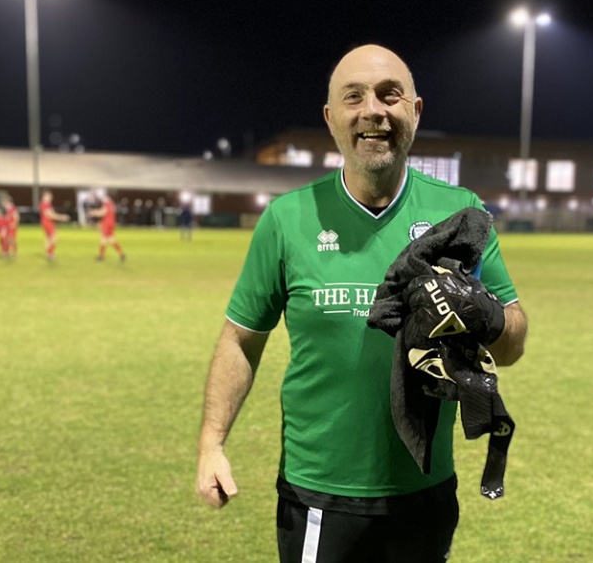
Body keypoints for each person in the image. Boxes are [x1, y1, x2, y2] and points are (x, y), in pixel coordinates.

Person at [195, 45, 528, 563]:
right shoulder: (286, 219)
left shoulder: (460, 213)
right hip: (320, 492)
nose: (373, 110)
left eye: (390, 95)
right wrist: (212, 444)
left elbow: (512, 343)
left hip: (425, 489)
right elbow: (241, 339)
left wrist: (485, 317)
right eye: (354, 97)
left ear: (415, 112)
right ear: (331, 120)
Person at [87, 191, 126, 262]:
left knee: (103, 240)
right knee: (111, 240)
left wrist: (93, 213)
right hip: (110, 223)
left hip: (107, 224)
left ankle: (101, 257)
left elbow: (103, 213)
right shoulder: (111, 203)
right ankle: (121, 254)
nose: (101, 199)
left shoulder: (107, 203)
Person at [39, 190, 70, 261]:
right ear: (44, 197)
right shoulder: (45, 205)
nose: (50, 198)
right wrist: (62, 217)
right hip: (48, 223)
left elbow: (51, 214)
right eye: (49, 197)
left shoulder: (47, 204)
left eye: (51, 197)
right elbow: (50, 215)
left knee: (48, 238)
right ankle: (50, 254)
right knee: (54, 238)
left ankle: (48, 254)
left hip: (46, 223)